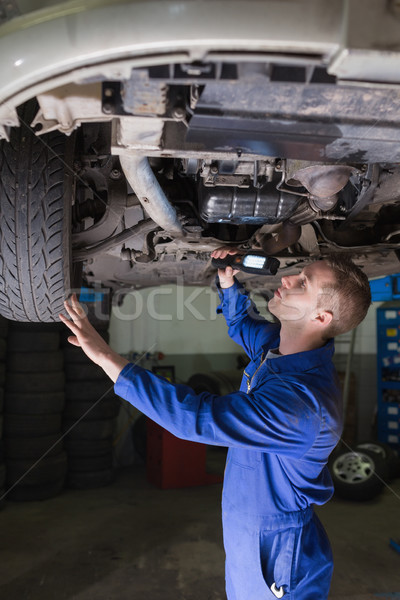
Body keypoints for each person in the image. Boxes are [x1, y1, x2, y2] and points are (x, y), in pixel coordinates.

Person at [60, 249, 372, 600]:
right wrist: (227, 282)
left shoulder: (301, 406)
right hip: (248, 530)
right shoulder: (280, 348)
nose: (287, 278)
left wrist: (106, 357)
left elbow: (194, 419)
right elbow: (242, 325)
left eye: (303, 282)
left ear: (320, 317)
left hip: (278, 549)